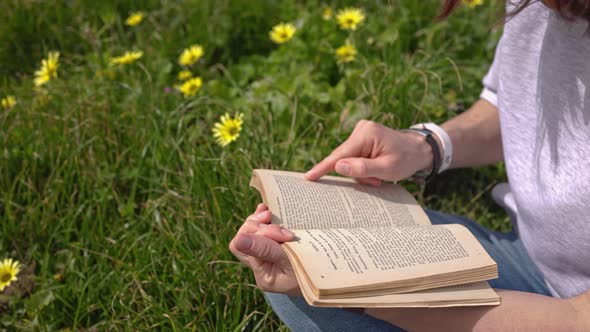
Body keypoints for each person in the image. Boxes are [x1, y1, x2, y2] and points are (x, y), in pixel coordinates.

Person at [229, 0, 590, 330]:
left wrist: (359, 296)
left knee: (316, 289)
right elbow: (515, 102)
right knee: (294, 252)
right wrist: (427, 146)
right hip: (528, 254)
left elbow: (573, 321)